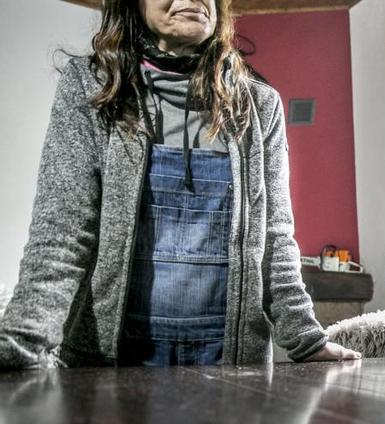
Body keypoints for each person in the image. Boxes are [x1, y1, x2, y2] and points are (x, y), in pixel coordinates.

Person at [0, 0, 360, 368]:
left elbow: (275, 239)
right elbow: (62, 233)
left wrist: (304, 337)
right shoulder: (91, 87)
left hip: (233, 369)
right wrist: (20, 343)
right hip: (107, 368)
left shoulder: (259, 105)